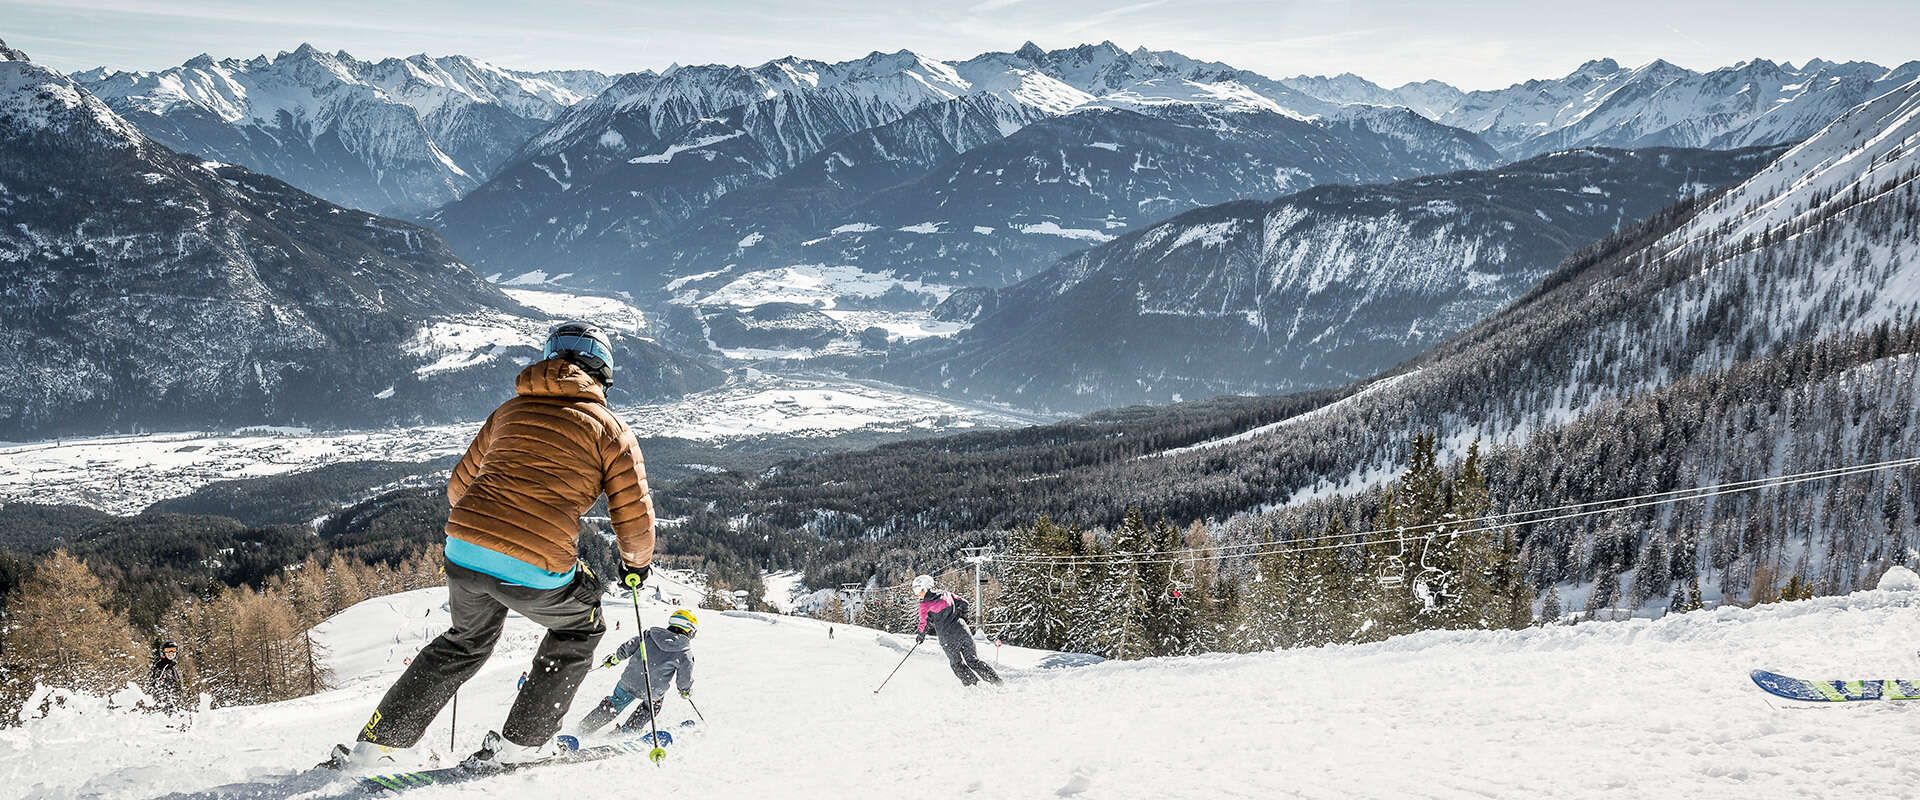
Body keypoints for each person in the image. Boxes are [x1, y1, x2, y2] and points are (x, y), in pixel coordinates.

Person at [326, 322, 657, 771]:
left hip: (464, 550)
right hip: (536, 566)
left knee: (463, 642)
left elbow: (457, 488)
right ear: (604, 373)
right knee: (580, 628)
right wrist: (636, 565)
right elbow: (633, 521)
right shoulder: (610, 431)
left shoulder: (508, 413)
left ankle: (380, 745)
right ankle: (522, 744)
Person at [576, 609, 697, 735]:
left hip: (629, 681)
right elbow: (684, 678)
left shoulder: (649, 635)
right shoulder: (685, 653)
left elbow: (630, 646)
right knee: (650, 708)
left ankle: (586, 727)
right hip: (653, 690)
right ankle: (626, 731)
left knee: (614, 703)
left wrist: (616, 658)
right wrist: (685, 690)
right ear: (689, 629)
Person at [913, 575, 1001, 687]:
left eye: (918, 590)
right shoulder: (947, 594)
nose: (917, 594)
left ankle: (975, 687)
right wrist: (960, 616)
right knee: (973, 660)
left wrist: (920, 635)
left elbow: (923, 623)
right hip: (963, 630)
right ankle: (997, 682)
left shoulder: (925, 605)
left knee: (957, 664)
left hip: (948, 637)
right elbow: (964, 603)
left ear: (925, 587)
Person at [147, 640, 184, 715]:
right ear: (163, 652)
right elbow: (156, 685)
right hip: (164, 705)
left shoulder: (172, 667)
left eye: (173, 650)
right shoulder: (161, 666)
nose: (171, 653)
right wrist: (165, 703)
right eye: (167, 650)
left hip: (174, 704)